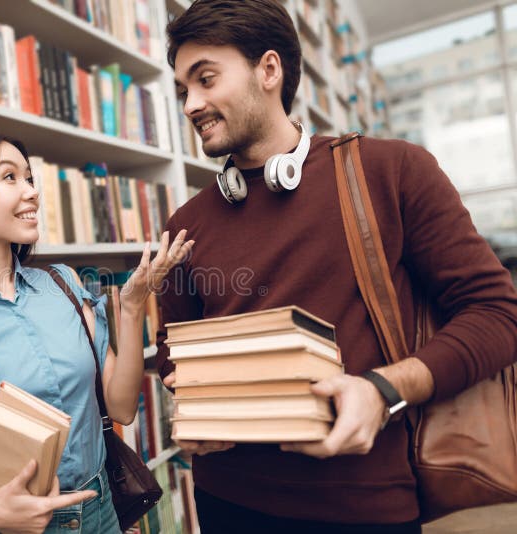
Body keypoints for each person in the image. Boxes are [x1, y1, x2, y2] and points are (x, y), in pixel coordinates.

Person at [155, 1, 517, 533]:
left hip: (362, 507)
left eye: (205, 79)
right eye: (183, 89)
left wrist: (383, 389)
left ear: (269, 70)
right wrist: (187, 402)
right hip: (224, 498)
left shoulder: (392, 171)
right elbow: (172, 350)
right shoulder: (184, 224)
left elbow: (496, 315)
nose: (191, 104)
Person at [0, 130, 194, 534]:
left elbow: (122, 408)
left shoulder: (63, 284)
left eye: (29, 178)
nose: (31, 192)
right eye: (10, 178)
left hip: (103, 512)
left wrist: (130, 309)